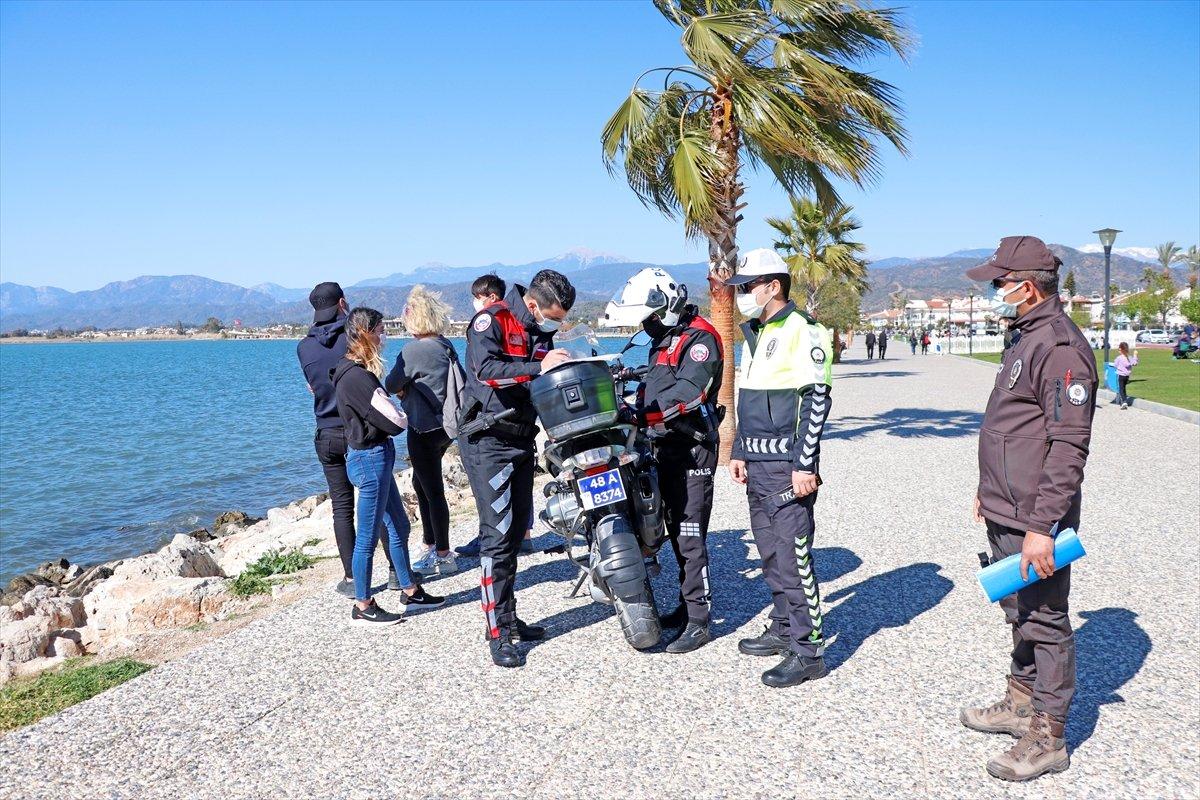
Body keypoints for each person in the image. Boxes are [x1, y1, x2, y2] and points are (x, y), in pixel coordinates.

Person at [961, 236, 1097, 782]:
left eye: (1000, 281)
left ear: (1028, 285)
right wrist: (986, 487)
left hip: (1033, 517)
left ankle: (1048, 734)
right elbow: (1012, 427)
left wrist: (1044, 526)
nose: (996, 290)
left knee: (1044, 618)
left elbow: (1068, 445)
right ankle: (1019, 704)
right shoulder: (1024, 336)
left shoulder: (1060, 346)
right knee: (1017, 611)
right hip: (1005, 505)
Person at [600, 267, 723, 654]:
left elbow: (688, 392)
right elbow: (655, 388)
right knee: (671, 527)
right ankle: (686, 609)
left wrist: (642, 415)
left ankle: (700, 621)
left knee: (689, 535)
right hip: (664, 446)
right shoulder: (666, 338)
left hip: (692, 448)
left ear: (667, 306)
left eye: (650, 318)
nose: (647, 325)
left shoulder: (700, 338)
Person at [727, 249, 834, 689]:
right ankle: (783, 627)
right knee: (770, 553)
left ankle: (809, 651)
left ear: (773, 286)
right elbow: (750, 398)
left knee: (794, 557)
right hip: (755, 462)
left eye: (748, 286)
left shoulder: (803, 330)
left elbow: (816, 399)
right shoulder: (756, 332)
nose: (742, 295)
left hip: (787, 467)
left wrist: (804, 464)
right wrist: (737, 450)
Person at [460, 270, 574, 667]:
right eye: (553, 317)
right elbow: (487, 372)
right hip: (488, 440)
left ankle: (510, 617)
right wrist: (539, 368)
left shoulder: (538, 329)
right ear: (532, 305)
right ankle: (497, 633)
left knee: (518, 531)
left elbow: (538, 374)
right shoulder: (489, 320)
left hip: (522, 437)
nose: (555, 325)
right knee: (497, 536)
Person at [332, 307, 445, 625]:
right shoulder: (357, 377)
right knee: (368, 536)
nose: (384, 336)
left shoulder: (354, 371)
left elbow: (388, 415)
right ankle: (363, 604)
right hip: (369, 461)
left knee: (400, 526)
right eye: (380, 330)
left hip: (375, 459)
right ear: (364, 332)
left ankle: (410, 590)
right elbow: (396, 420)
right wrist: (399, 413)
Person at [296, 282, 395, 598]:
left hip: (325, 434)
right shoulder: (354, 337)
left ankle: (352, 578)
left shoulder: (303, 347)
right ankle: (396, 570)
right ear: (343, 303)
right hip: (358, 433)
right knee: (378, 504)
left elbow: (314, 387)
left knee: (342, 506)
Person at [385, 285, 463, 576]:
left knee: (432, 491)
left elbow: (391, 385)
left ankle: (442, 553)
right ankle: (430, 543)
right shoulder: (444, 345)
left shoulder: (413, 350)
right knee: (421, 484)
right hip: (446, 426)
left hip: (423, 427)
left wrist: (405, 389)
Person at [456, 274, 507, 558]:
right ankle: (518, 533)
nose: (475, 302)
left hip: (483, 411)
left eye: (477, 296)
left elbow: (482, 372)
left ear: (489, 296)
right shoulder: (510, 320)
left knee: (483, 485)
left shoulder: (485, 322)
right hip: (504, 410)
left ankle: (488, 541)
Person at [1113, 341, 1137, 408]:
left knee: (1121, 389)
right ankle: (1124, 400)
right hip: (1127, 376)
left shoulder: (1119, 358)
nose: (1118, 350)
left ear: (1121, 349)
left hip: (1121, 375)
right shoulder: (1129, 357)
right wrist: (1135, 355)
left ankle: (1124, 401)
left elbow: (1115, 365)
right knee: (1124, 388)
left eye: (1119, 349)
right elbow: (1135, 363)